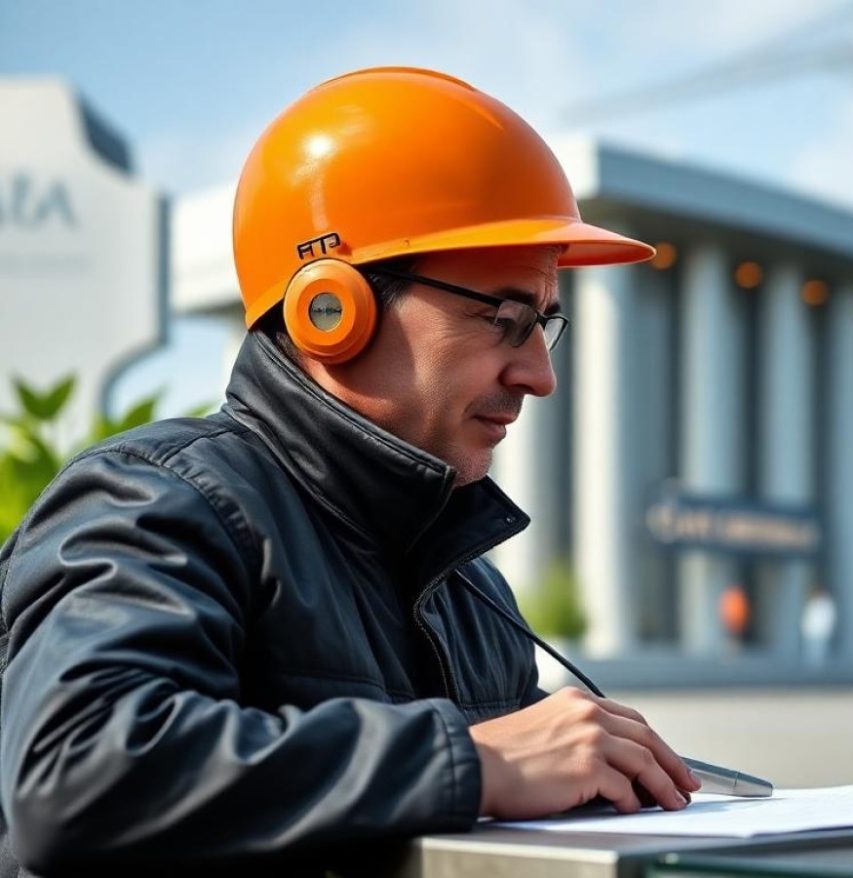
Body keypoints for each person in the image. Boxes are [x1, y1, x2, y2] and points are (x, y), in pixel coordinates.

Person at [0, 67, 699, 876]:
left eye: (544, 324)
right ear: (330, 312)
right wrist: (472, 762)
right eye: (506, 318)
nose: (539, 375)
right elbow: (76, 772)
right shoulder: (159, 501)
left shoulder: (469, 588)